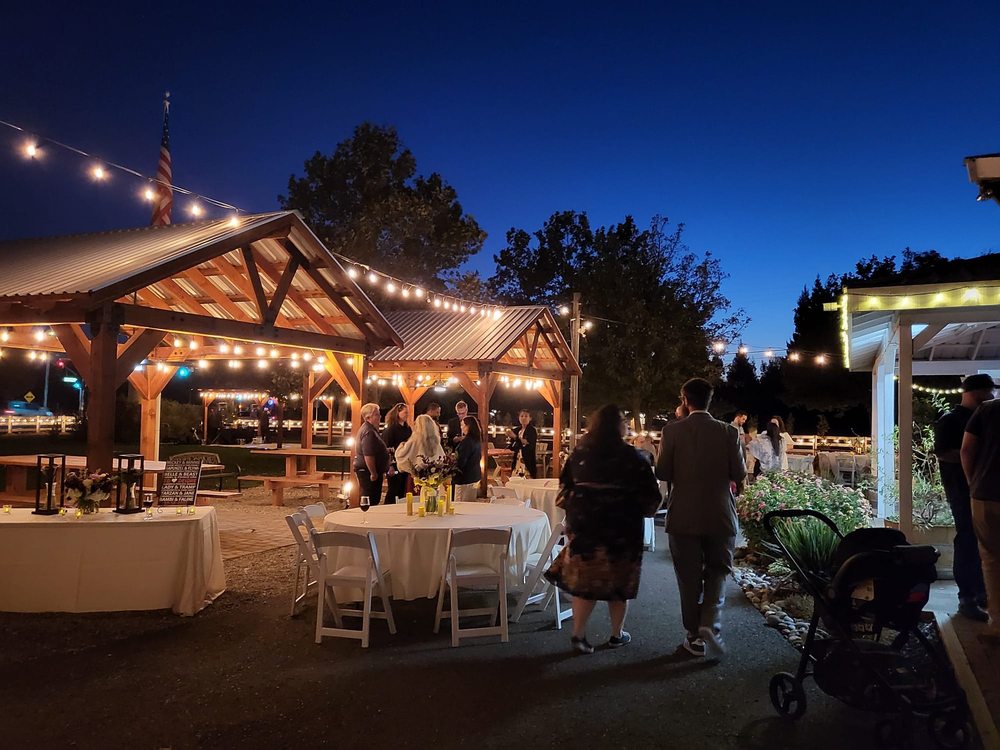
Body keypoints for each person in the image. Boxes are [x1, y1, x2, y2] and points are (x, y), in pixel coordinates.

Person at [545, 404, 662, 654]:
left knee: (585, 584)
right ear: (619, 426)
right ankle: (617, 634)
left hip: (586, 530)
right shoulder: (634, 458)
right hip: (622, 532)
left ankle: (578, 635)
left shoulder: (579, 454)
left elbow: (564, 492)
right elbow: (651, 499)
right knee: (619, 584)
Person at [655, 377, 746, 660]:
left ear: (685, 400)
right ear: (710, 400)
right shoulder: (729, 432)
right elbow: (740, 473)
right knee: (718, 571)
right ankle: (710, 622)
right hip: (720, 514)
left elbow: (662, 472)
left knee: (688, 577)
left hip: (683, 515)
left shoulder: (672, 431)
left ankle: (694, 634)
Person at [934, 374, 994, 621]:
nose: (991, 396)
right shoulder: (950, 420)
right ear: (974, 392)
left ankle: (982, 592)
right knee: (967, 539)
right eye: (988, 391)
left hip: (984, 490)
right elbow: (942, 453)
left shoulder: (986, 417)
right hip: (961, 489)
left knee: (983, 541)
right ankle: (966, 597)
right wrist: (977, 459)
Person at [961, 379, 1000, 637]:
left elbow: (966, 450)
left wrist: (972, 483)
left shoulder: (987, 410)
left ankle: (997, 624)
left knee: (992, 560)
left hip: (986, 494)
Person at [353, 402, 390, 506]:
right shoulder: (368, 432)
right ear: (368, 417)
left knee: (373, 498)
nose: (380, 417)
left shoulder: (371, 429)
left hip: (370, 471)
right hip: (368, 472)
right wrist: (373, 473)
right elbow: (368, 455)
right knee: (370, 499)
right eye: (377, 415)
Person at [382, 403, 412, 505]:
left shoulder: (407, 429)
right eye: (405, 413)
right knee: (393, 489)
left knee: (402, 490)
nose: (407, 415)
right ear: (398, 413)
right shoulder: (390, 429)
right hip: (394, 464)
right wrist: (390, 465)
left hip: (404, 464)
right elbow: (387, 448)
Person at [455, 416, 483, 501]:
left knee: (461, 503)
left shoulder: (467, 442)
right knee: (470, 501)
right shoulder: (476, 440)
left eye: (462, 425)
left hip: (465, 478)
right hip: (474, 476)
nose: (461, 427)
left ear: (468, 426)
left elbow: (461, 461)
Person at [506, 409, 538, 478]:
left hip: (527, 458)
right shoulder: (517, 430)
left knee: (527, 478)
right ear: (519, 418)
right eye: (522, 416)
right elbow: (513, 443)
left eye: (526, 416)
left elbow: (528, 444)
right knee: (515, 478)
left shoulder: (532, 430)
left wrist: (515, 437)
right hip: (516, 458)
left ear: (530, 418)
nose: (523, 418)